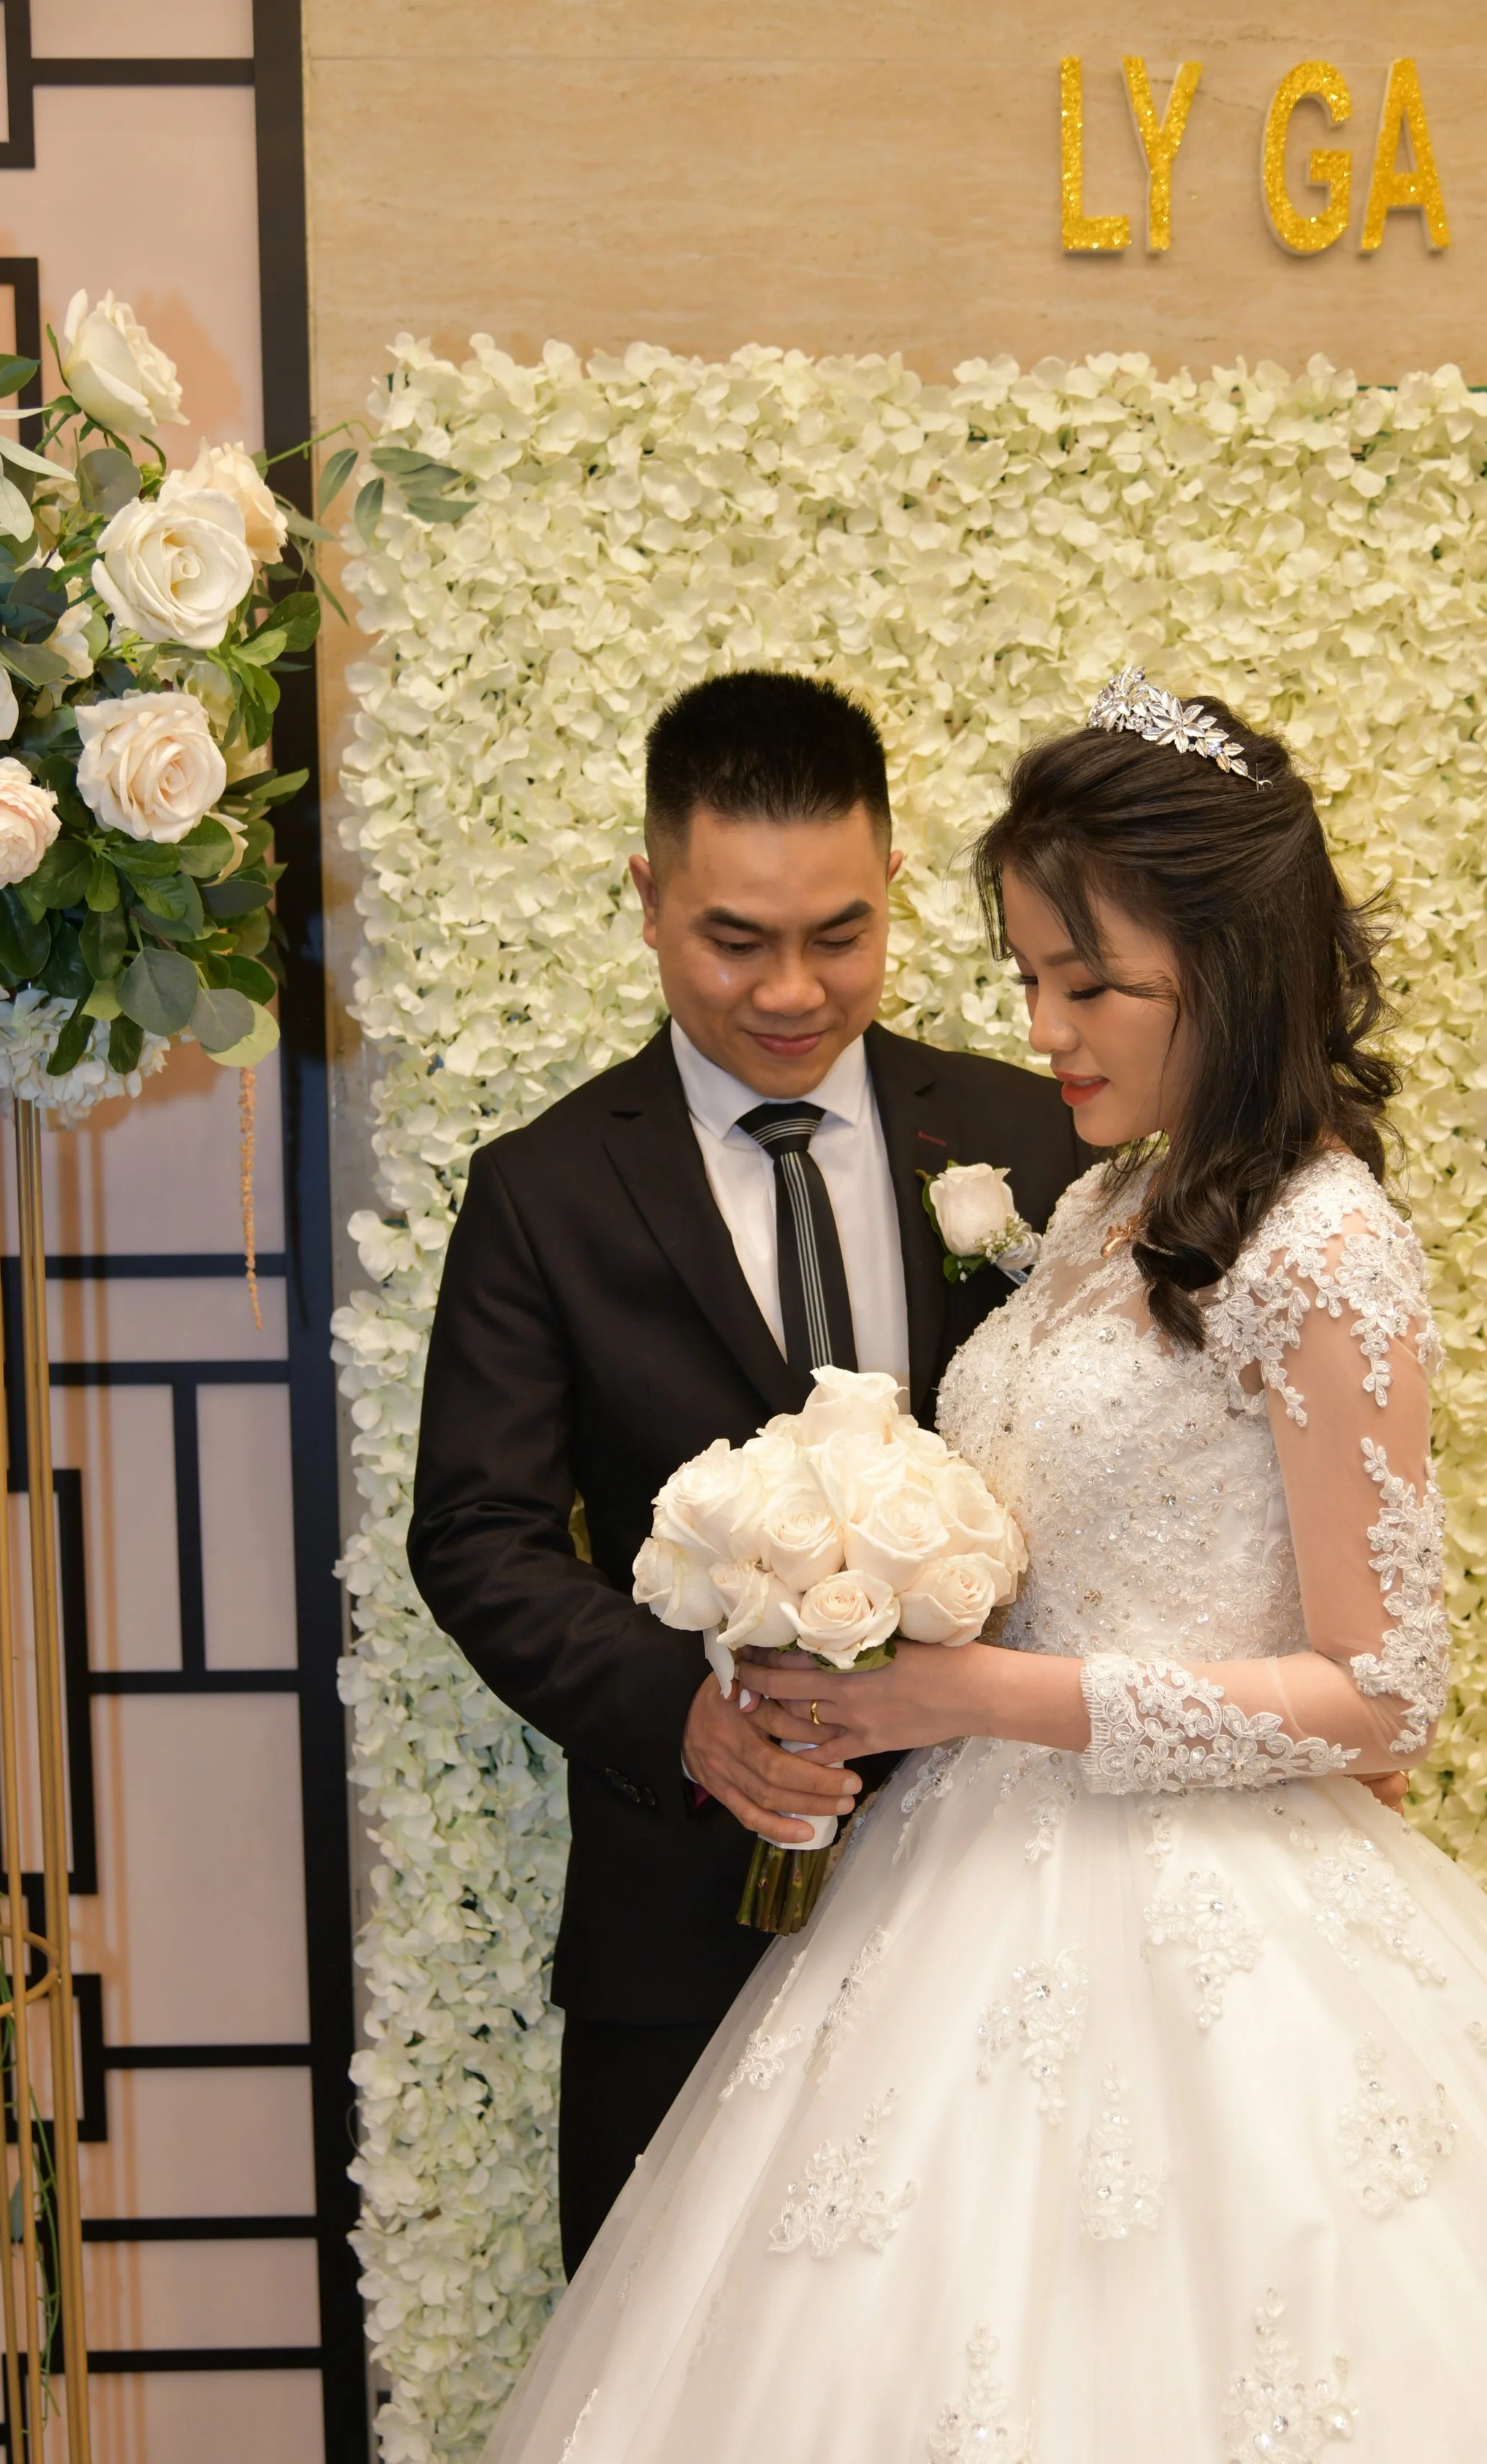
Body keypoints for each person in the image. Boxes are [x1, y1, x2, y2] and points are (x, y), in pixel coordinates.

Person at [373, 678, 1487, 2464]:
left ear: (1216, 965)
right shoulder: (1106, 1203)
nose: (1042, 1027)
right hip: (944, 1892)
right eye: (1029, 975)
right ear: (649, 902)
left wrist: (969, 1679)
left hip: (1217, 1930)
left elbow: (1385, 1680)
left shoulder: (1321, 1242)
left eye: (1084, 979)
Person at [407, 670, 1087, 2272]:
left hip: (1017, 1890)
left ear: (896, 891)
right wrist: (689, 1723)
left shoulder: (1036, 1138)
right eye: (734, 938)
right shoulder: (545, 1190)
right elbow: (479, 1533)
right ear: (646, 898)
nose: (791, 990)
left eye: (838, 935)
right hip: (685, 1913)